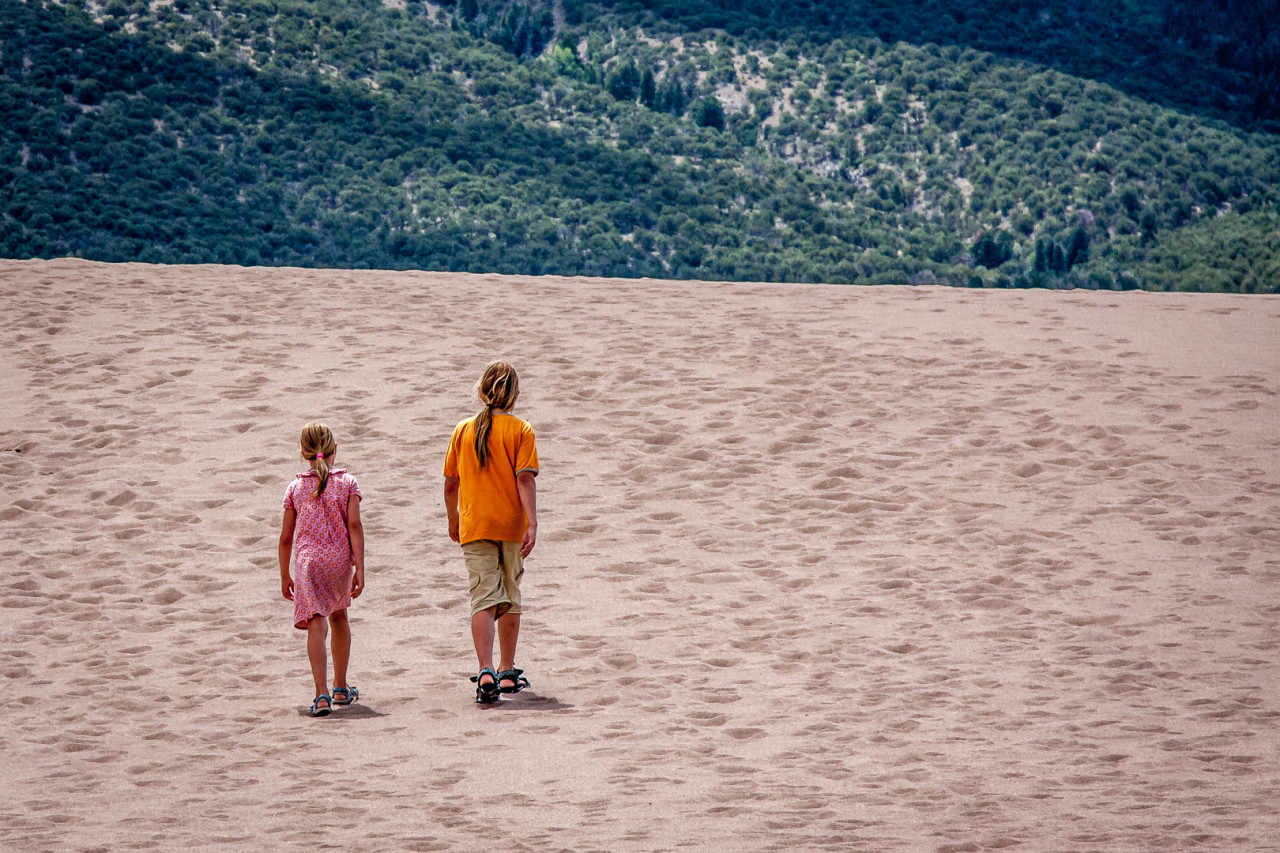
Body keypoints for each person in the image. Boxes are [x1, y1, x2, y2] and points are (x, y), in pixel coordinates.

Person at [443, 361, 539, 704]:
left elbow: (451, 483)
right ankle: (507, 671)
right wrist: (532, 522)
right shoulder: (521, 430)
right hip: (510, 525)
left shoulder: (463, 429)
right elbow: (524, 478)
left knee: (483, 596)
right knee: (510, 594)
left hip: (475, 524)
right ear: (513, 394)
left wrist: (453, 519)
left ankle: (485, 670)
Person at [279, 422, 366, 717]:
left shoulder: (295, 488)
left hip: (308, 564)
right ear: (335, 448)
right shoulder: (348, 483)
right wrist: (360, 567)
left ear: (303, 453)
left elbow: (286, 538)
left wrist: (284, 574)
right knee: (339, 616)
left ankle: (321, 695)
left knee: (316, 623)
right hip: (339, 561)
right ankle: (341, 685)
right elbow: (354, 525)